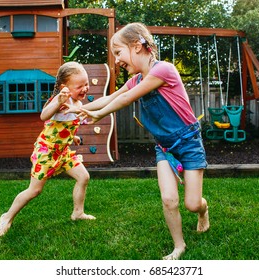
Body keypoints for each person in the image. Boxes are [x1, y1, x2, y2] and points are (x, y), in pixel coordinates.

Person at [72, 23, 210, 260]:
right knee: (168, 199)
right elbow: (111, 97)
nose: (116, 61)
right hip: (165, 147)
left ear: (136, 46)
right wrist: (80, 109)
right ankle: (179, 246)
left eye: (118, 53)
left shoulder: (163, 70)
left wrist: (99, 115)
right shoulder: (136, 80)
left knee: (192, 203)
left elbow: (125, 99)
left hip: (188, 142)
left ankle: (203, 211)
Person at [0, 62, 95, 237]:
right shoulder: (60, 101)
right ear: (65, 87)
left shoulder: (76, 103)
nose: (85, 89)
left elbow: (60, 128)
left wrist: (73, 137)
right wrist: (58, 101)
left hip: (62, 151)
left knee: (83, 176)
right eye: (80, 86)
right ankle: (7, 216)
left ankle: (77, 213)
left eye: (86, 84)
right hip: (46, 152)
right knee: (35, 190)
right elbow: (44, 116)